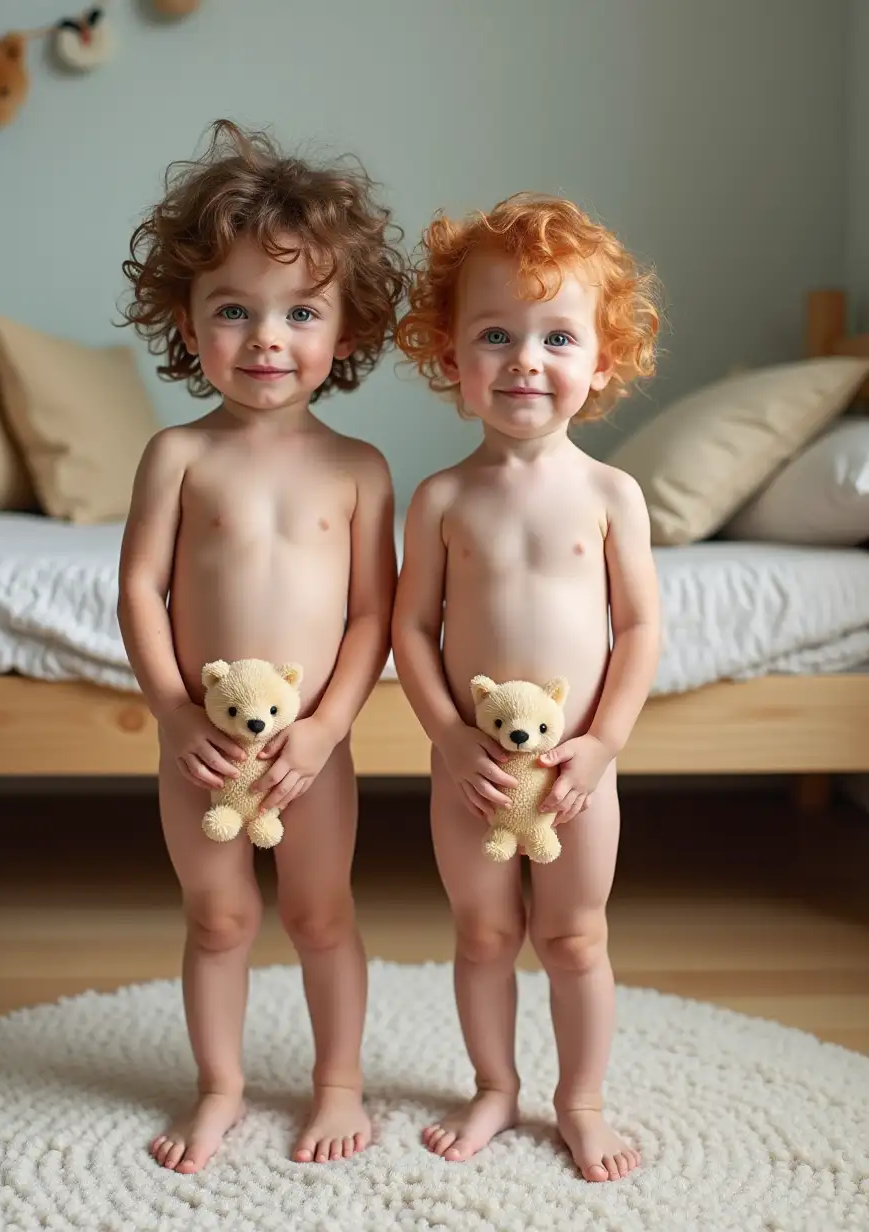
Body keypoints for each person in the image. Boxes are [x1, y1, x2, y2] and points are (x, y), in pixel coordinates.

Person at [117, 120, 406, 1173]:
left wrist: (329, 726)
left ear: (347, 324)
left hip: (310, 753)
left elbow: (375, 612)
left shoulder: (361, 469)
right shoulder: (179, 453)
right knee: (218, 916)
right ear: (187, 323)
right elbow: (140, 590)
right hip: (200, 746)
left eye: (300, 311)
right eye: (232, 309)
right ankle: (221, 1084)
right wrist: (173, 709)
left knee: (322, 913)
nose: (265, 338)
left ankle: (337, 1080)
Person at [392, 194, 660, 1182]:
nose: (523, 359)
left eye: (556, 336)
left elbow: (637, 628)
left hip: (578, 770)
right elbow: (410, 628)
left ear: (600, 361)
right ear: (450, 358)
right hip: (468, 770)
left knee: (574, 931)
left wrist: (602, 742)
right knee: (483, 928)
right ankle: (493, 1081)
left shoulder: (609, 495)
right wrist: (449, 735)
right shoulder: (442, 499)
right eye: (494, 334)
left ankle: (579, 1097)